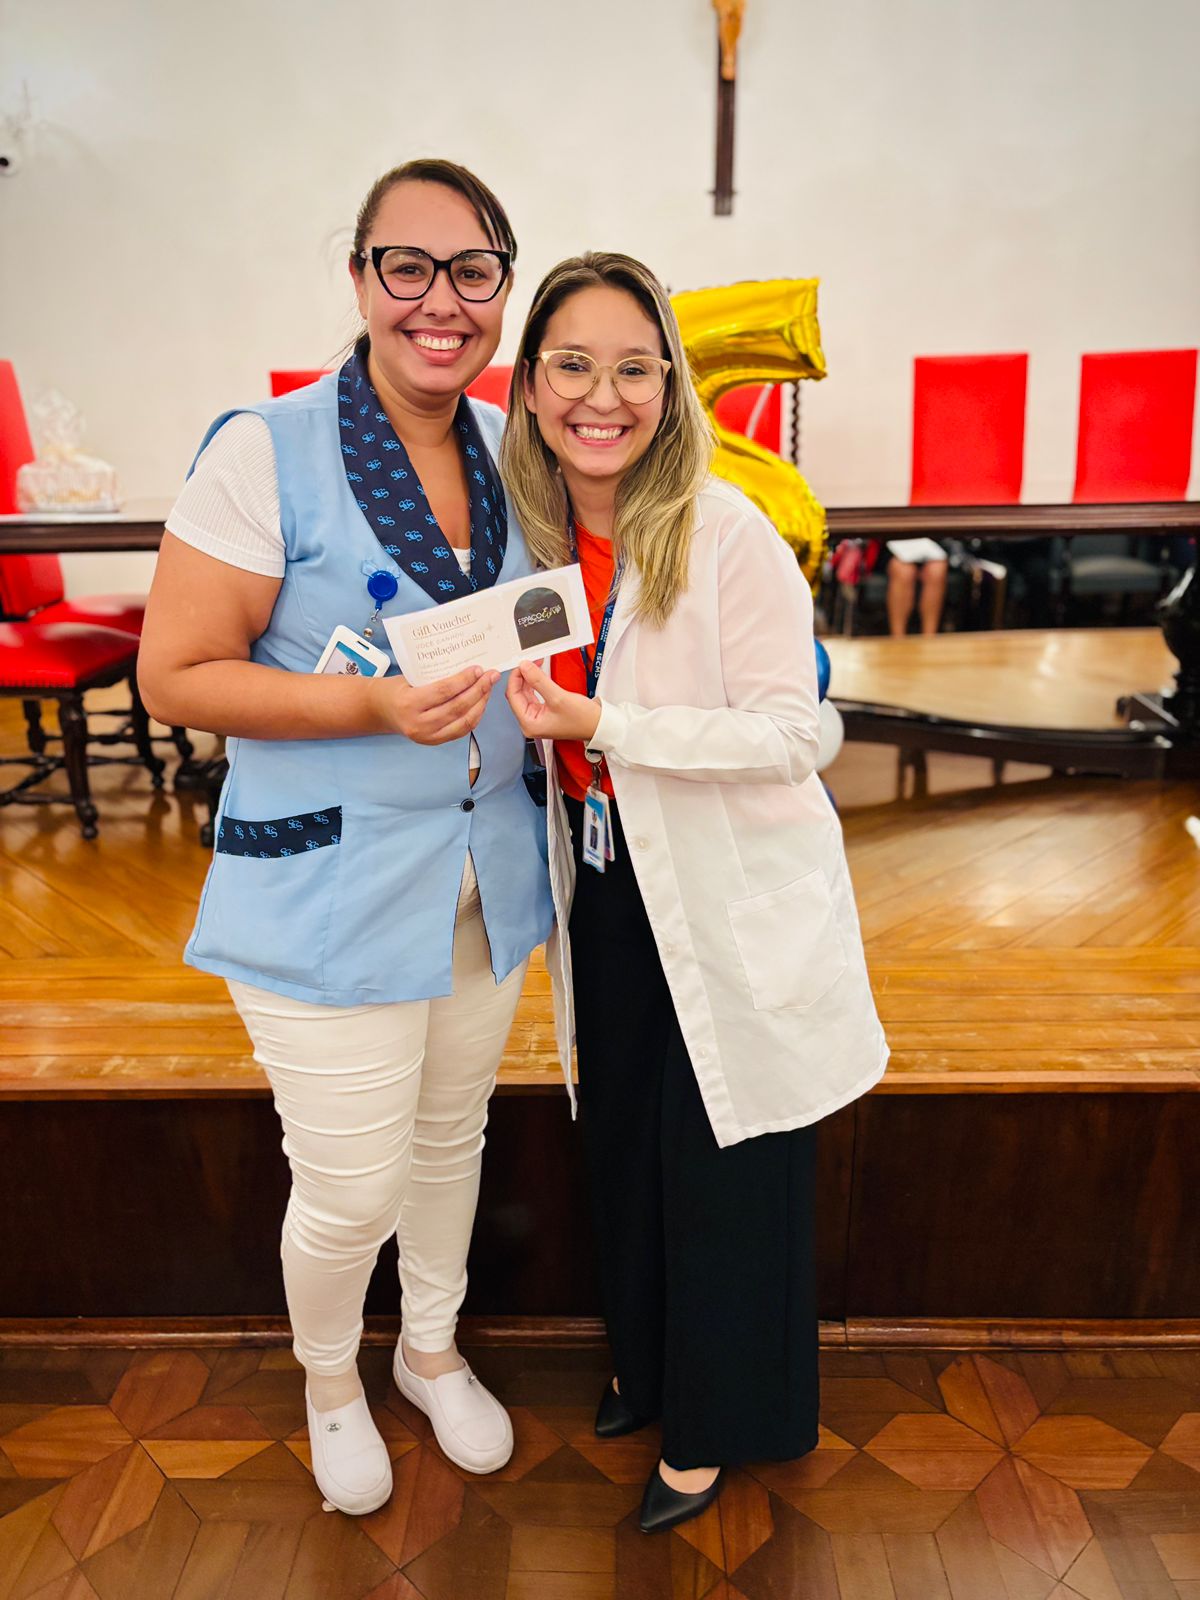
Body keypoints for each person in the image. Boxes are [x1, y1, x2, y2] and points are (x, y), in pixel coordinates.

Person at [138, 160, 553, 1515]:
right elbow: (175, 675)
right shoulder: (264, 450)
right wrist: (369, 704)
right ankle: (330, 1380)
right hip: (330, 880)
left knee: (450, 1140)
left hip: (482, 876)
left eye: (472, 270)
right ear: (362, 275)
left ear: (502, 285)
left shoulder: (513, 448)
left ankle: (429, 1349)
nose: (442, 301)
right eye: (406, 266)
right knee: (350, 1181)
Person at [500, 252, 888, 1534]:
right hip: (607, 882)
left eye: (633, 367)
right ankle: (648, 1370)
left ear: (669, 384)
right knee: (624, 1139)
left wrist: (607, 726)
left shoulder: (725, 533)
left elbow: (793, 735)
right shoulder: (529, 536)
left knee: (725, 1159)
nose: (601, 395)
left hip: (724, 890)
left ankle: (714, 1428)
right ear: (531, 382)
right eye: (573, 364)